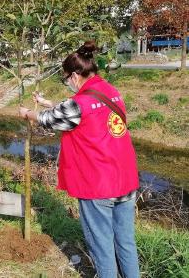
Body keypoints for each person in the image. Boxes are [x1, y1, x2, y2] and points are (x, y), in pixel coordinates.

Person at [19, 41, 140, 278]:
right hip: (125, 179)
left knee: (102, 248)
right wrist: (48, 104)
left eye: (66, 79)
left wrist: (28, 113)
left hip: (99, 185)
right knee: (126, 243)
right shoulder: (112, 91)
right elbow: (81, 115)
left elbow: (50, 119)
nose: (68, 83)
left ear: (74, 75)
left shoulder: (78, 103)